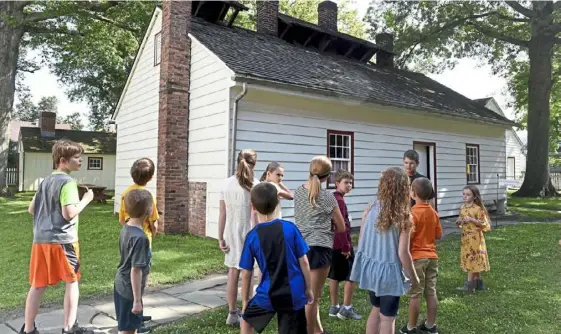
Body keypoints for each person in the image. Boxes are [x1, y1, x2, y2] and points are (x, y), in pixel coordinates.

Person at [20, 139, 95, 334]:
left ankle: (28, 329)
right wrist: (86, 200)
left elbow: (31, 209)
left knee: (37, 285)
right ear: (63, 160)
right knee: (72, 282)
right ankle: (69, 328)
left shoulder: (45, 181)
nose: (80, 161)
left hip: (40, 241)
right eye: (77, 158)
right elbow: (68, 213)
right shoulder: (68, 183)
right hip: (63, 242)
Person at [350, 167, 419, 334]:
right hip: (389, 274)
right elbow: (403, 253)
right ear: (404, 188)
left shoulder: (371, 207)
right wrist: (414, 277)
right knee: (388, 318)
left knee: (376, 308)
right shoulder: (404, 216)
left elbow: (361, 239)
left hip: (371, 269)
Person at [239, 182, 313, 334]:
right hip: (294, 293)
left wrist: (246, 301)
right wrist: (309, 289)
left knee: (246, 321)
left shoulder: (252, 236)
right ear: (278, 201)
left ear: (252, 206)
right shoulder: (290, 228)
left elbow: (246, 273)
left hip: (267, 294)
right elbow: (304, 263)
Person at [293, 156, 346, 334]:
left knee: (308, 295)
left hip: (300, 248)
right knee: (312, 298)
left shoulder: (298, 192)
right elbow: (341, 227)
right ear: (328, 176)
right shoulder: (328, 198)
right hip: (319, 249)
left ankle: (318, 331)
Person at [218, 149, 260, 325]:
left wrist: (220, 237)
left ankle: (232, 313)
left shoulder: (226, 184)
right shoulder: (255, 184)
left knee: (232, 271)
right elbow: (254, 214)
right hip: (249, 232)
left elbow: (222, 213)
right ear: (254, 164)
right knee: (247, 272)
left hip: (230, 232)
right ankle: (246, 311)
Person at [118, 158, 159, 331]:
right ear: (150, 177)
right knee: (140, 275)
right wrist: (153, 234)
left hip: (128, 236)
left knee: (133, 271)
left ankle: (137, 311)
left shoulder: (126, 194)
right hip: (143, 240)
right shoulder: (148, 197)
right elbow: (154, 223)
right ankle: (137, 309)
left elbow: (121, 219)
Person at [400, 178, 442, 334]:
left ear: (413, 193)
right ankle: (431, 325)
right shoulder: (433, 212)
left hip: (417, 258)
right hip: (432, 257)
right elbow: (438, 235)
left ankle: (411, 327)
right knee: (431, 292)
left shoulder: (412, 214)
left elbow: (408, 238)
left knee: (415, 293)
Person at [114, 189, 153, 334]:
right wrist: (137, 300)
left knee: (127, 326)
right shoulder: (140, 238)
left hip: (121, 284)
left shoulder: (126, 227)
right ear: (148, 211)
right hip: (129, 291)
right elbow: (135, 270)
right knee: (127, 330)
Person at [327, 170, 361, 321]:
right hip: (341, 244)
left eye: (351, 183)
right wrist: (346, 246)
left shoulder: (333, 198)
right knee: (352, 274)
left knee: (334, 276)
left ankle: (334, 307)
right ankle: (346, 308)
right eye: (346, 182)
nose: (349, 185)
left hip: (332, 244)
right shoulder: (339, 201)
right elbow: (341, 226)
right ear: (337, 183)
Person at [456, 185, 491, 293]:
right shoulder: (463, 208)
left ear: (475, 196)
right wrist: (459, 222)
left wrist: (472, 219)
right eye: (464, 194)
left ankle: (469, 285)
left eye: (468, 194)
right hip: (466, 238)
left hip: (476, 239)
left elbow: (486, 225)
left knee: (472, 258)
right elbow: (462, 224)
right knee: (471, 257)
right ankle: (478, 282)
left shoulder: (478, 209)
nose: (465, 197)